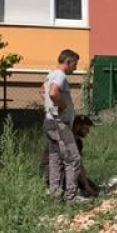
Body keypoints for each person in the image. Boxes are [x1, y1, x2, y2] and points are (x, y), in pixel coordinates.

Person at [43, 48, 86, 202]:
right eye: (75, 64)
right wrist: (62, 107)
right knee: (73, 158)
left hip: (50, 122)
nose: (75, 67)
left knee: (55, 158)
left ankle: (54, 193)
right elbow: (53, 93)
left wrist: (51, 107)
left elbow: (43, 91)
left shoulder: (50, 75)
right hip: (60, 124)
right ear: (68, 61)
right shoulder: (60, 75)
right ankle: (71, 196)